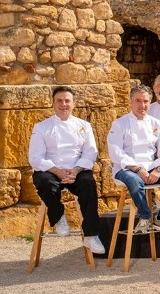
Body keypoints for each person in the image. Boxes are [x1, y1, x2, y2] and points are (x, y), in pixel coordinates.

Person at [28, 85, 105, 255]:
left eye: (67, 101)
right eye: (59, 101)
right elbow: (35, 157)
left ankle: (91, 235)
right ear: (53, 104)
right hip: (51, 170)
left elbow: (91, 152)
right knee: (45, 182)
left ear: (73, 103)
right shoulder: (41, 127)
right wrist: (57, 171)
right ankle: (58, 216)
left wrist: (76, 170)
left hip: (76, 169)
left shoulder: (84, 126)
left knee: (88, 183)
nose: (63, 104)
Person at [108, 84, 160, 238]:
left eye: (145, 101)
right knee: (134, 180)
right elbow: (116, 152)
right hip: (126, 169)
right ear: (130, 102)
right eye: (138, 101)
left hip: (152, 168)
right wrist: (139, 169)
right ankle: (145, 217)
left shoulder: (156, 124)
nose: (142, 105)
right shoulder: (119, 124)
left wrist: (157, 170)